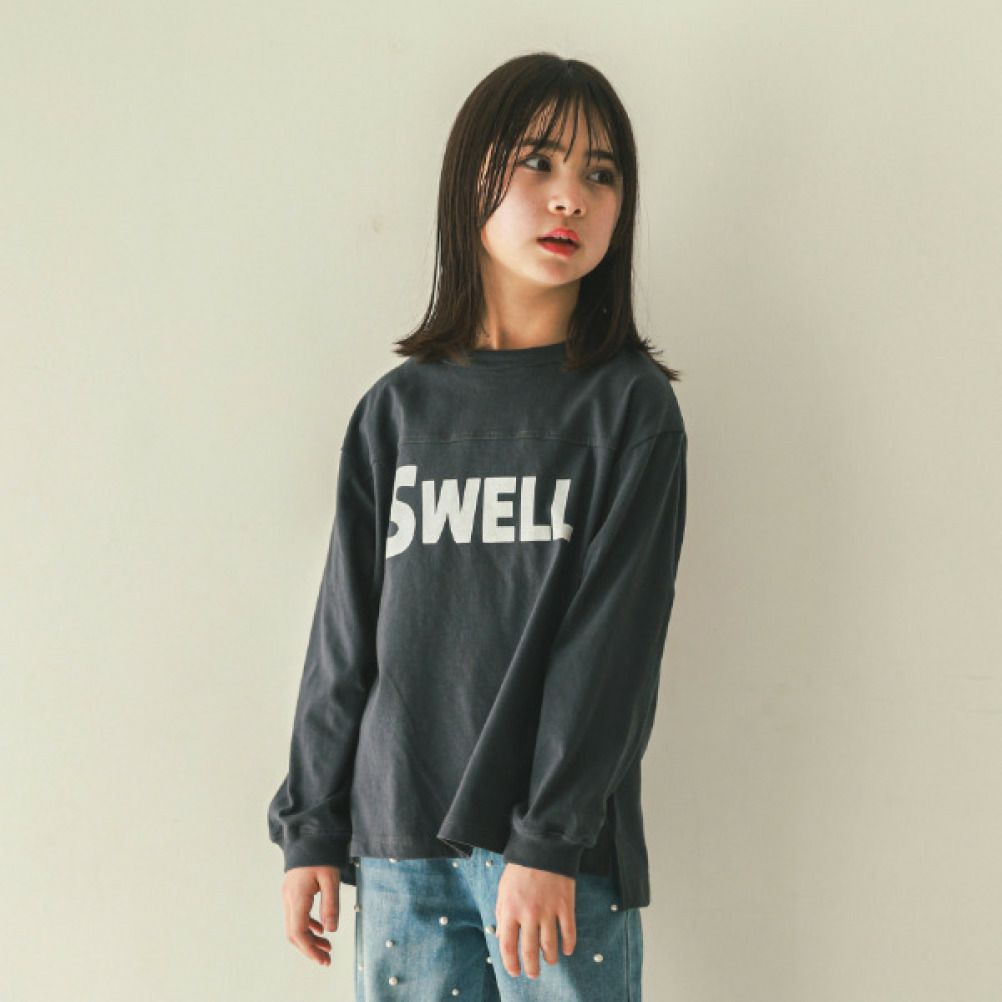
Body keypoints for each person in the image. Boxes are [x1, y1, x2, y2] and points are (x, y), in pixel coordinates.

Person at [267, 51, 688, 1001]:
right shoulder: (396, 413)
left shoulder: (628, 411)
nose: (571, 196)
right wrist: (312, 825)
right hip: (398, 845)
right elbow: (344, 635)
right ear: (471, 180)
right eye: (539, 161)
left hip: (554, 856)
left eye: (601, 174)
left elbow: (614, 649)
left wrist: (548, 835)